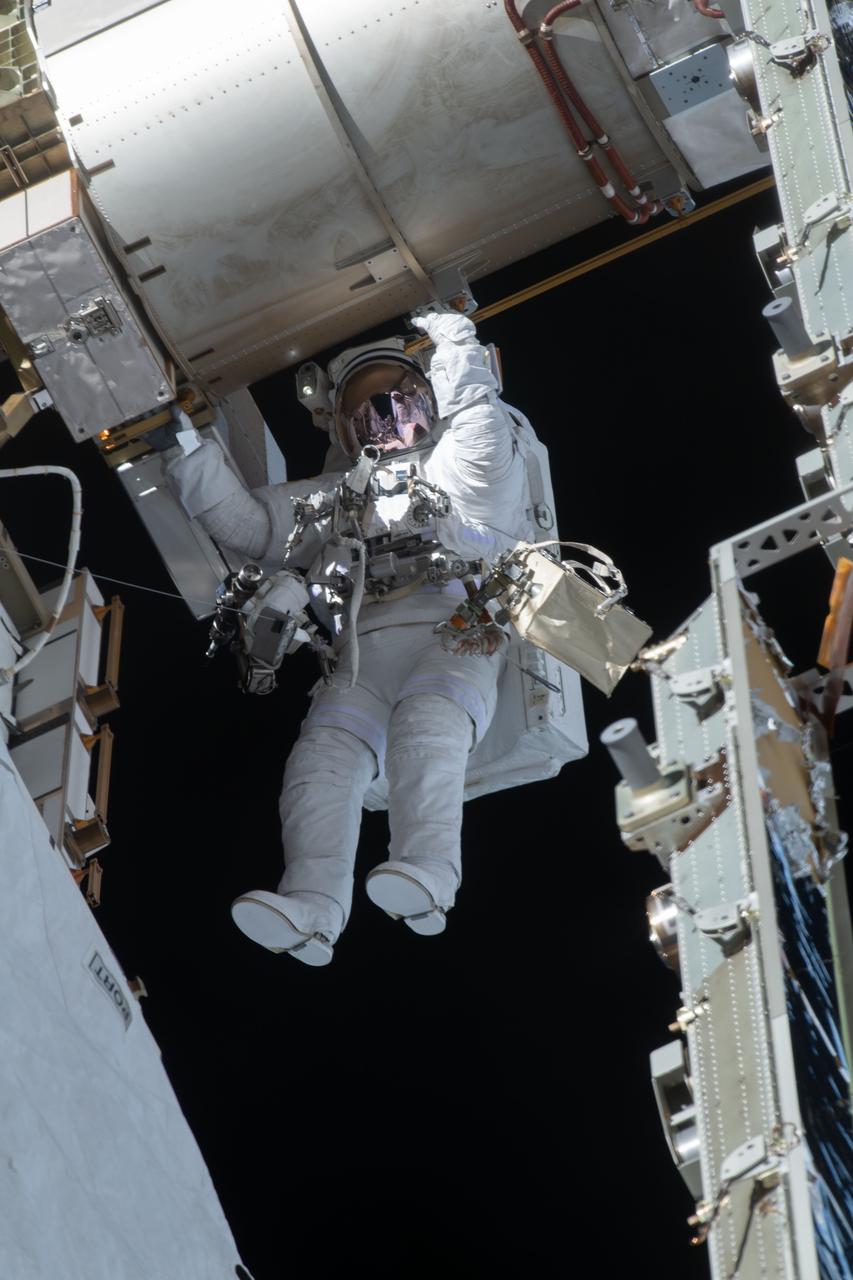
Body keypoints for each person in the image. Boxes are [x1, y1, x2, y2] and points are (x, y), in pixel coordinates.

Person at [161, 310, 531, 965]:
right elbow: (247, 526)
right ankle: (312, 908)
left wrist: (455, 343)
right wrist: (183, 447)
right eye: (365, 413)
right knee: (319, 765)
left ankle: (428, 877)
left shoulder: (460, 468)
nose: (384, 420)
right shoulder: (337, 497)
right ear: (344, 430)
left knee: (426, 726)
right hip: (360, 659)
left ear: (426, 402)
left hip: (453, 635)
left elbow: (476, 423)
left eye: (398, 403)